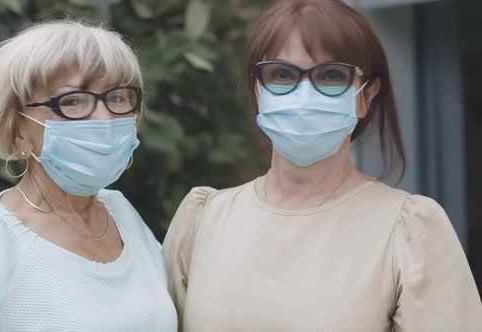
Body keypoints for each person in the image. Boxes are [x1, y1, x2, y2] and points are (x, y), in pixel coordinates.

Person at [162, 1, 482, 331]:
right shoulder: (202, 221)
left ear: (367, 94)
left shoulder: (411, 230)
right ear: (258, 88)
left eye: (331, 75)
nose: (303, 94)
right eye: (282, 74)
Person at [0, 20, 177, 332]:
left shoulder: (121, 213)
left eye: (117, 97)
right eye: (73, 101)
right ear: (17, 129)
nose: (105, 118)